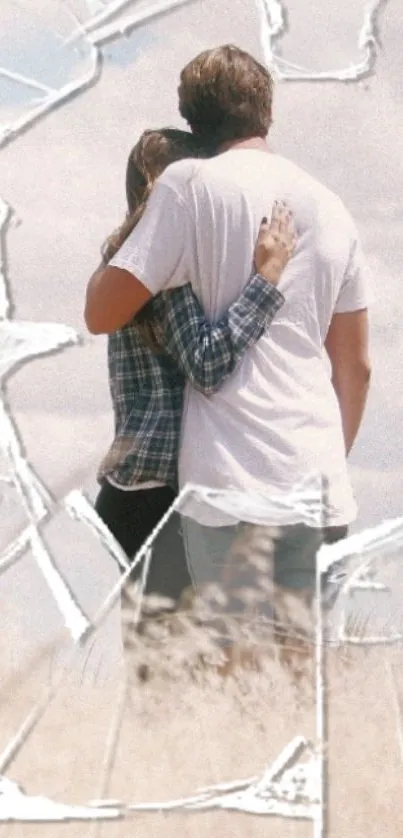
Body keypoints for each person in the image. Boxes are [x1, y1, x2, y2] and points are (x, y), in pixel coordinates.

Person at [85, 45, 372, 642]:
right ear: (267, 111)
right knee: (304, 678)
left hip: (226, 483)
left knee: (224, 683)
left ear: (193, 118)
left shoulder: (188, 186)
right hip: (315, 477)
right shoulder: (332, 207)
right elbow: (356, 367)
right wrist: (327, 458)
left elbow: (102, 312)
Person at [91, 127, 297, 624]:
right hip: (158, 497)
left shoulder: (128, 262)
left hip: (135, 492)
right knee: (178, 674)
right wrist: (265, 282)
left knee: (162, 674)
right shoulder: (164, 268)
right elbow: (206, 363)